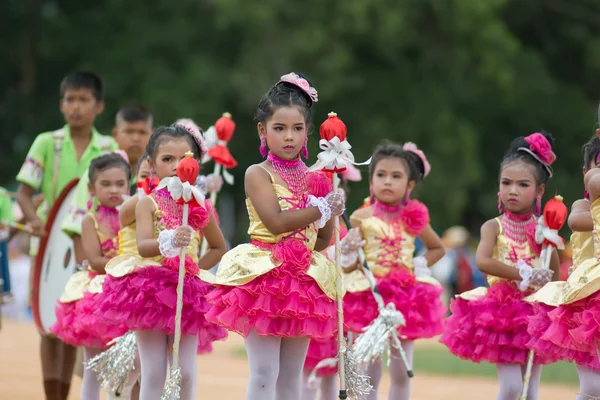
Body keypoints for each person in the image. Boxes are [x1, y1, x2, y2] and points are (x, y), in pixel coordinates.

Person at [204, 72, 345, 400]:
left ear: (308, 131)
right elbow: (276, 222)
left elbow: (321, 240)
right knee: (265, 372)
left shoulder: (317, 179)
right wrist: (322, 209)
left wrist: (332, 211)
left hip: (304, 284)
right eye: (279, 128)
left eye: (297, 128)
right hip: (263, 279)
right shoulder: (257, 173)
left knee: (291, 377)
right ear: (262, 130)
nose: (289, 137)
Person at [96, 125, 228, 400]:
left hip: (188, 292)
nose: (176, 165)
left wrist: (194, 271)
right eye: (167, 159)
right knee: (154, 371)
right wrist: (169, 242)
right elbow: (144, 246)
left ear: (196, 164)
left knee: (186, 371)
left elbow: (218, 247)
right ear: (152, 165)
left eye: (184, 158)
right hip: (150, 293)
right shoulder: (148, 203)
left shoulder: (200, 205)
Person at [15, 71, 117, 400]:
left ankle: (66, 392)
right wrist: (33, 221)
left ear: (98, 106)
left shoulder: (107, 147)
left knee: (74, 326)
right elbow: (24, 193)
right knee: (48, 324)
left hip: (90, 247)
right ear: (61, 105)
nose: (76, 107)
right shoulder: (47, 143)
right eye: (70, 99)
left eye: (84, 100)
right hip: (46, 247)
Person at [440, 132, 559, 400]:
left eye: (523, 184)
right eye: (506, 183)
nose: (513, 190)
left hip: (536, 312)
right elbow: (483, 261)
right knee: (511, 388)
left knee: (530, 390)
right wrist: (522, 274)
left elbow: (552, 272)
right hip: (502, 313)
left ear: (540, 191)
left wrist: (550, 243)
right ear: (498, 187)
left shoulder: (542, 229)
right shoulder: (493, 226)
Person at [340, 142, 446, 400]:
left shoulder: (414, 216)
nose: (387, 182)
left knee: (400, 370)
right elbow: (348, 265)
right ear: (371, 180)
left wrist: (419, 265)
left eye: (396, 176)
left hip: (404, 300)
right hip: (367, 297)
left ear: (410, 185)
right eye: (381, 175)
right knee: (367, 369)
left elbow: (437, 248)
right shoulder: (360, 217)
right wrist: (348, 250)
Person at [51, 152, 131, 400]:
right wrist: (129, 263)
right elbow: (95, 261)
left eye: (120, 184)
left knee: (124, 367)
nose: (114, 190)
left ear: (130, 184)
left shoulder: (133, 217)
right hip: (97, 295)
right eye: (105, 184)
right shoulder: (90, 220)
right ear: (91, 188)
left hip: (128, 294)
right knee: (93, 368)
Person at [526, 133, 600, 400]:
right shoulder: (583, 205)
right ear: (586, 172)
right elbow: (578, 221)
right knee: (593, 386)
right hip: (588, 302)